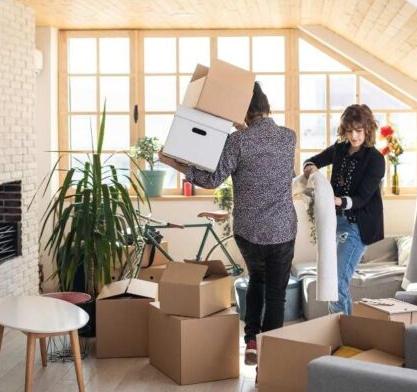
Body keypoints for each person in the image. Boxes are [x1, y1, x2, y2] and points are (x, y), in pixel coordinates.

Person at [158, 82, 296, 366]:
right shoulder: (288, 137)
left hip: (249, 230)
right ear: (267, 107)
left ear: (242, 114)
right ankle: (271, 360)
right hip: (282, 230)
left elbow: (211, 180)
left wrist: (173, 163)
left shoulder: (237, 141)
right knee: (276, 294)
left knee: (256, 280)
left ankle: (252, 342)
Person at [303, 104, 385, 315]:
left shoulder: (376, 159)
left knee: (337, 280)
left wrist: (336, 200)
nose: (354, 136)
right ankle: (339, 329)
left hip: (359, 225)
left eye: (358, 130)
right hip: (335, 222)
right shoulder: (339, 148)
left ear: (367, 129)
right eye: (349, 131)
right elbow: (313, 160)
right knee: (332, 280)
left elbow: (363, 198)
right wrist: (311, 167)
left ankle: (343, 334)